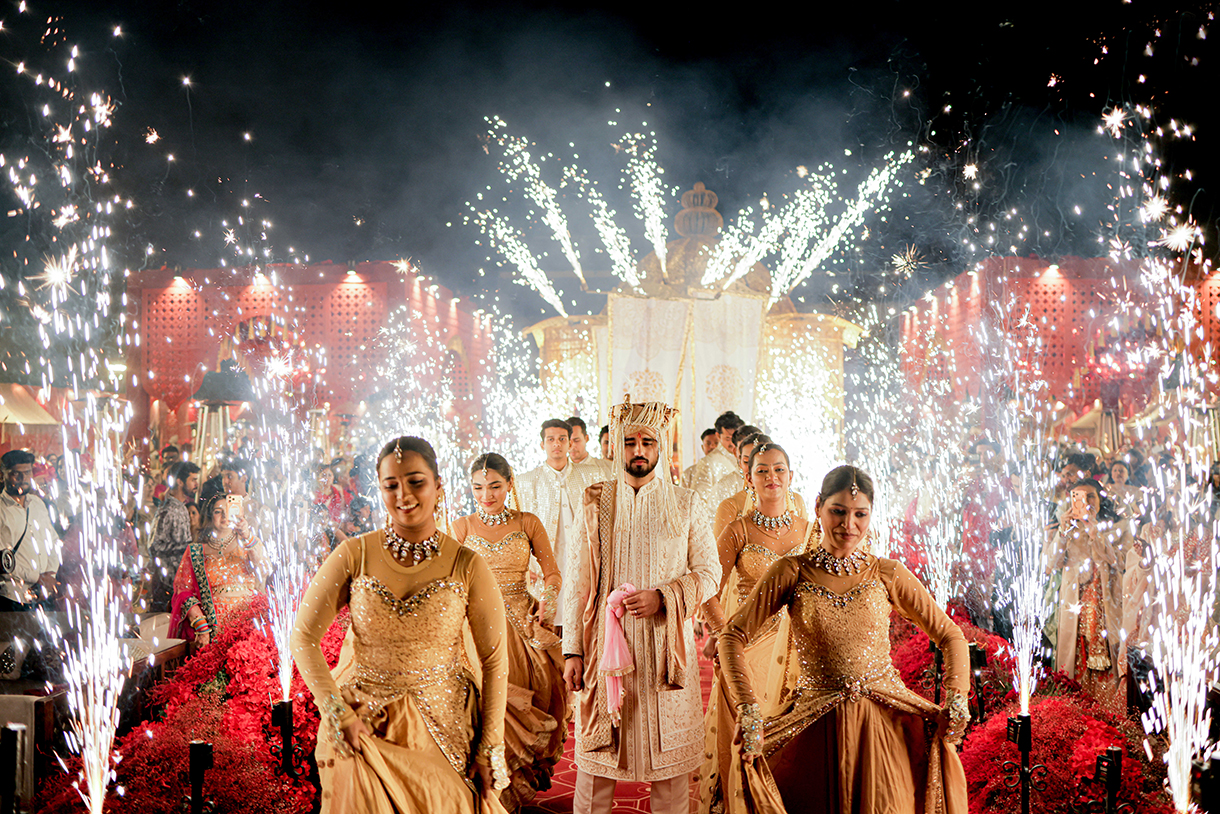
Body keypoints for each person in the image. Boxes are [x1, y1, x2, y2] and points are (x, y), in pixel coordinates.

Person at [718, 465, 969, 813]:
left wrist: (958, 698)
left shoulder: (886, 573)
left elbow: (950, 634)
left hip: (882, 728)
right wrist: (747, 707)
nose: (848, 525)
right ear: (819, 506)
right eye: (838, 511)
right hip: (814, 728)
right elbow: (731, 636)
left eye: (859, 514)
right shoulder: (792, 571)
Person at [291, 436, 510, 814]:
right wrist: (336, 710)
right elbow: (303, 636)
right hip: (365, 732)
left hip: (445, 731)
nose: (403, 494)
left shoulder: (468, 565)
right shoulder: (354, 555)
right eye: (391, 485)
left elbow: (493, 662)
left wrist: (489, 746)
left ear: (438, 486)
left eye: (415, 481)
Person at [562, 400, 720, 814]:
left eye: (647, 442)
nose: (637, 450)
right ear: (616, 445)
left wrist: (663, 597)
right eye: (629, 441)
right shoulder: (594, 501)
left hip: (664, 652)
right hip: (603, 651)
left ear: (660, 446)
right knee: (596, 768)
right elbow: (577, 580)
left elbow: (710, 573)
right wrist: (572, 650)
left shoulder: (687, 504)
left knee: (670, 775)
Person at [697, 442, 813, 814]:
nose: (771, 477)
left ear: (791, 477)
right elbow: (706, 588)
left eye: (779, 469)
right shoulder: (738, 530)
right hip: (749, 645)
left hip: (797, 648)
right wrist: (725, 636)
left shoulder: (809, 530)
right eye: (762, 470)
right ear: (749, 478)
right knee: (754, 736)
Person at [451, 453, 569, 811]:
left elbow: (553, 573)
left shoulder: (527, 522)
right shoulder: (461, 528)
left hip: (521, 622)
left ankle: (513, 788)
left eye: (494, 486)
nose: (486, 495)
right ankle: (490, 795)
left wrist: (546, 600)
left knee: (526, 702)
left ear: (509, 483)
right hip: (474, 626)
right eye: (478, 488)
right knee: (484, 708)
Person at [1045, 479, 1131, 710]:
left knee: (1107, 659)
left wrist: (1095, 531)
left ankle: (1106, 711)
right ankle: (1074, 709)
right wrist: (1062, 532)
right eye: (1078, 497)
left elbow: (1121, 562)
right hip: (1075, 605)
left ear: (1101, 499)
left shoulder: (1118, 526)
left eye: (1091, 496)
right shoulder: (1067, 526)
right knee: (1075, 655)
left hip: (1107, 603)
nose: (1085, 502)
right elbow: (1050, 564)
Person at [516, 419, 600, 636]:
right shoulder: (526, 482)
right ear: (542, 444)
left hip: (583, 562)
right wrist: (525, 567)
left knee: (583, 622)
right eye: (551, 439)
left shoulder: (589, 476)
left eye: (562, 439)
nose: (557, 444)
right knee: (547, 628)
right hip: (543, 566)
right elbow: (517, 530)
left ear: (569, 443)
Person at [169, 492, 267, 645]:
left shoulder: (248, 544)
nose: (224, 516)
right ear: (210, 516)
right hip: (213, 629)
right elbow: (183, 591)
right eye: (217, 511)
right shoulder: (195, 551)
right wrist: (201, 625)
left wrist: (247, 535)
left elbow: (263, 569)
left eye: (228, 511)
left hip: (248, 626)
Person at [711, 433, 808, 541]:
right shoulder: (730, 505)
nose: (771, 476)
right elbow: (718, 554)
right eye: (747, 462)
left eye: (778, 469)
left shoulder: (797, 501)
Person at [0, 449, 62, 611]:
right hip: (13, 597)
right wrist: (39, 578)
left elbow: (53, 542)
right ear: (3, 475)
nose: (22, 479)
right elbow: (3, 562)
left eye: (27, 473)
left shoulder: (37, 504)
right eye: (16, 474)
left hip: (43, 595)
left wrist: (50, 575)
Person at [147, 461, 201, 612]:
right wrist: (186, 547)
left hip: (178, 586)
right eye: (193, 480)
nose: (196, 484)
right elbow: (154, 546)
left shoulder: (182, 508)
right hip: (167, 587)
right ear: (180, 481)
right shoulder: (168, 510)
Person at [689, 411, 745, 502]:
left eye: (736, 438)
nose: (732, 443)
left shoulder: (744, 458)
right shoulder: (708, 462)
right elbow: (698, 502)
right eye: (728, 438)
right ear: (718, 436)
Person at [568, 416, 614, 480]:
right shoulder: (560, 471)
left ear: (586, 438)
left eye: (576, 440)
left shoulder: (607, 467)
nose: (572, 445)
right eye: (567, 441)